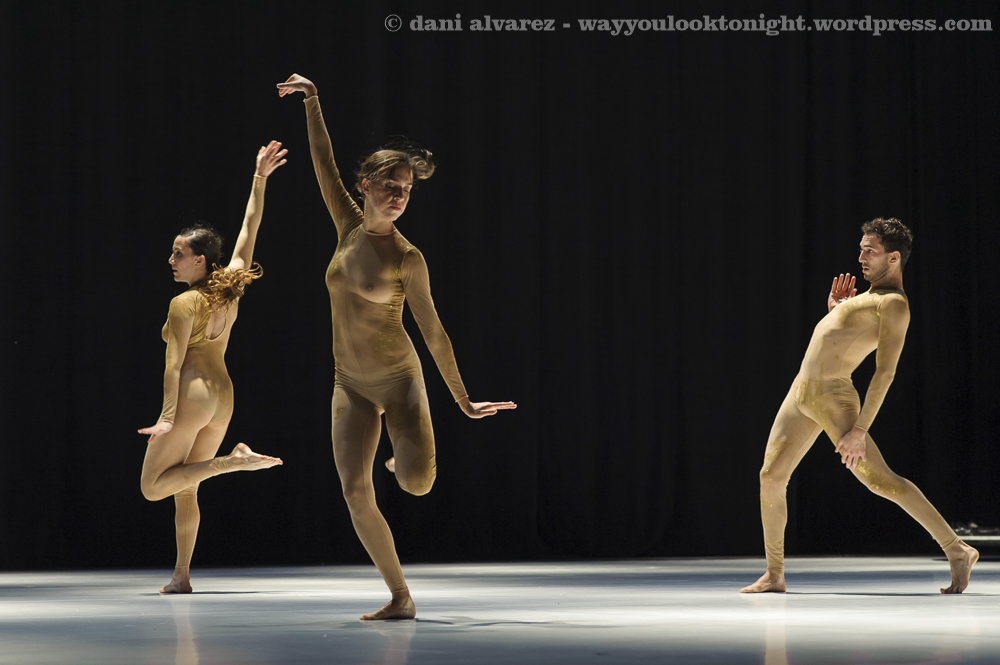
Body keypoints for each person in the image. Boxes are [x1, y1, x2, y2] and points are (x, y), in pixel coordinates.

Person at [277, 73, 516, 620]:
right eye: (389, 184)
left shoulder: (408, 258)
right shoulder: (347, 224)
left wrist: (462, 399)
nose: (398, 195)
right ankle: (400, 596)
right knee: (354, 493)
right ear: (365, 185)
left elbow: (434, 332)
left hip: (399, 378)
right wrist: (312, 99)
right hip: (349, 382)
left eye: (406, 189)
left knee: (415, 483)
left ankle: (402, 460)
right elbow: (321, 161)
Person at [741, 218, 978, 594]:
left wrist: (860, 430)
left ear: (894, 258)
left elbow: (885, 372)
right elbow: (837, 340)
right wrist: (837, 312)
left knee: (880, 480)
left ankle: (957, 549)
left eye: (870, 251)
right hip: (800, 393)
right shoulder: (865, 299)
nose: (861, 257)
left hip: (833, 397)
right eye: (861, 249)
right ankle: (774, 573)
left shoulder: (894, 303)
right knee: (770, 477)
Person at [138, 141, 288, 594]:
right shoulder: (229, 288)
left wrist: (167, 417)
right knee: (187, 486)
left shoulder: (184, 302)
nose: (171, 260)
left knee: (153, 487)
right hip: (223, 396)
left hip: (193, 395)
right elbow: (249, 229)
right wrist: (259, 178)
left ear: (200, 260)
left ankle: (233, 462)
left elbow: (173, 365)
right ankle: (181, 575)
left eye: (178, 254)